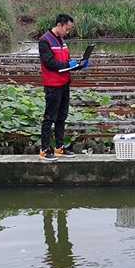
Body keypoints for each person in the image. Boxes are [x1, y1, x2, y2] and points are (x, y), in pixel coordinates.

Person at [38, 14, 89, 161]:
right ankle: (44, 149)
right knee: (49, 117)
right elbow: (49, 62)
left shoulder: (62, 41)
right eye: (67, 29)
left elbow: (66, 62)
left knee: (62, 116)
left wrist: (78, 65)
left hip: (64, 82)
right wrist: (68, 65)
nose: (67, 32)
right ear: (59, 25)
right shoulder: (44, 41)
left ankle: (59, 147)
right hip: (53, 84)